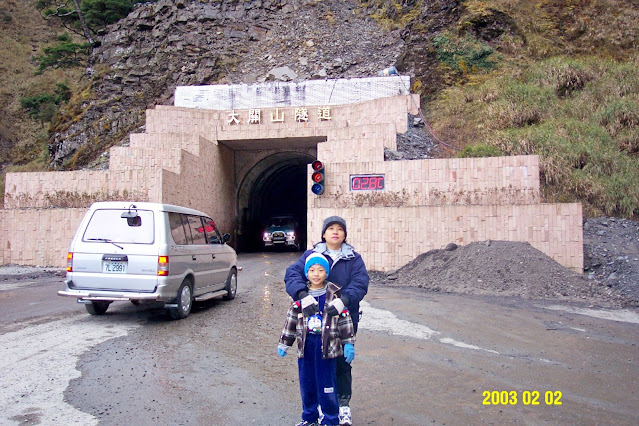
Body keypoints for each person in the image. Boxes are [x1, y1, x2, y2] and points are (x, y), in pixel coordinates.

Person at [285, 216, 369, 426]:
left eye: (340, 229)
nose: (335, 232)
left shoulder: (353, 259)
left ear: (344, 235)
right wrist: (302, 295)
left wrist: (345, 300)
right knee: (316, 365)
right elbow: (292, 274)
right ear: (323, 233)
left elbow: (361, 282)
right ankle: (319, 408)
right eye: (330, 228)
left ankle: (342, 406)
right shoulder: (311, 255)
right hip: (314, 322)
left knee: (341, 363)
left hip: (343, 319)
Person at [278, 253, 356, 426]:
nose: (316, 274)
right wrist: (284, 343)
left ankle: (330, 419)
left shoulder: (334, 295)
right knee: (307, 385)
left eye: (321, 270)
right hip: (306, 348)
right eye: (312, 270)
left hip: (328, 349)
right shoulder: (301, 297)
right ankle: (309, 417)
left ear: (326, 273)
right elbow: (291, 320)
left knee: (327, 385)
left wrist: (348, 343)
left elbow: (345, 320)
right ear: (306, 273)